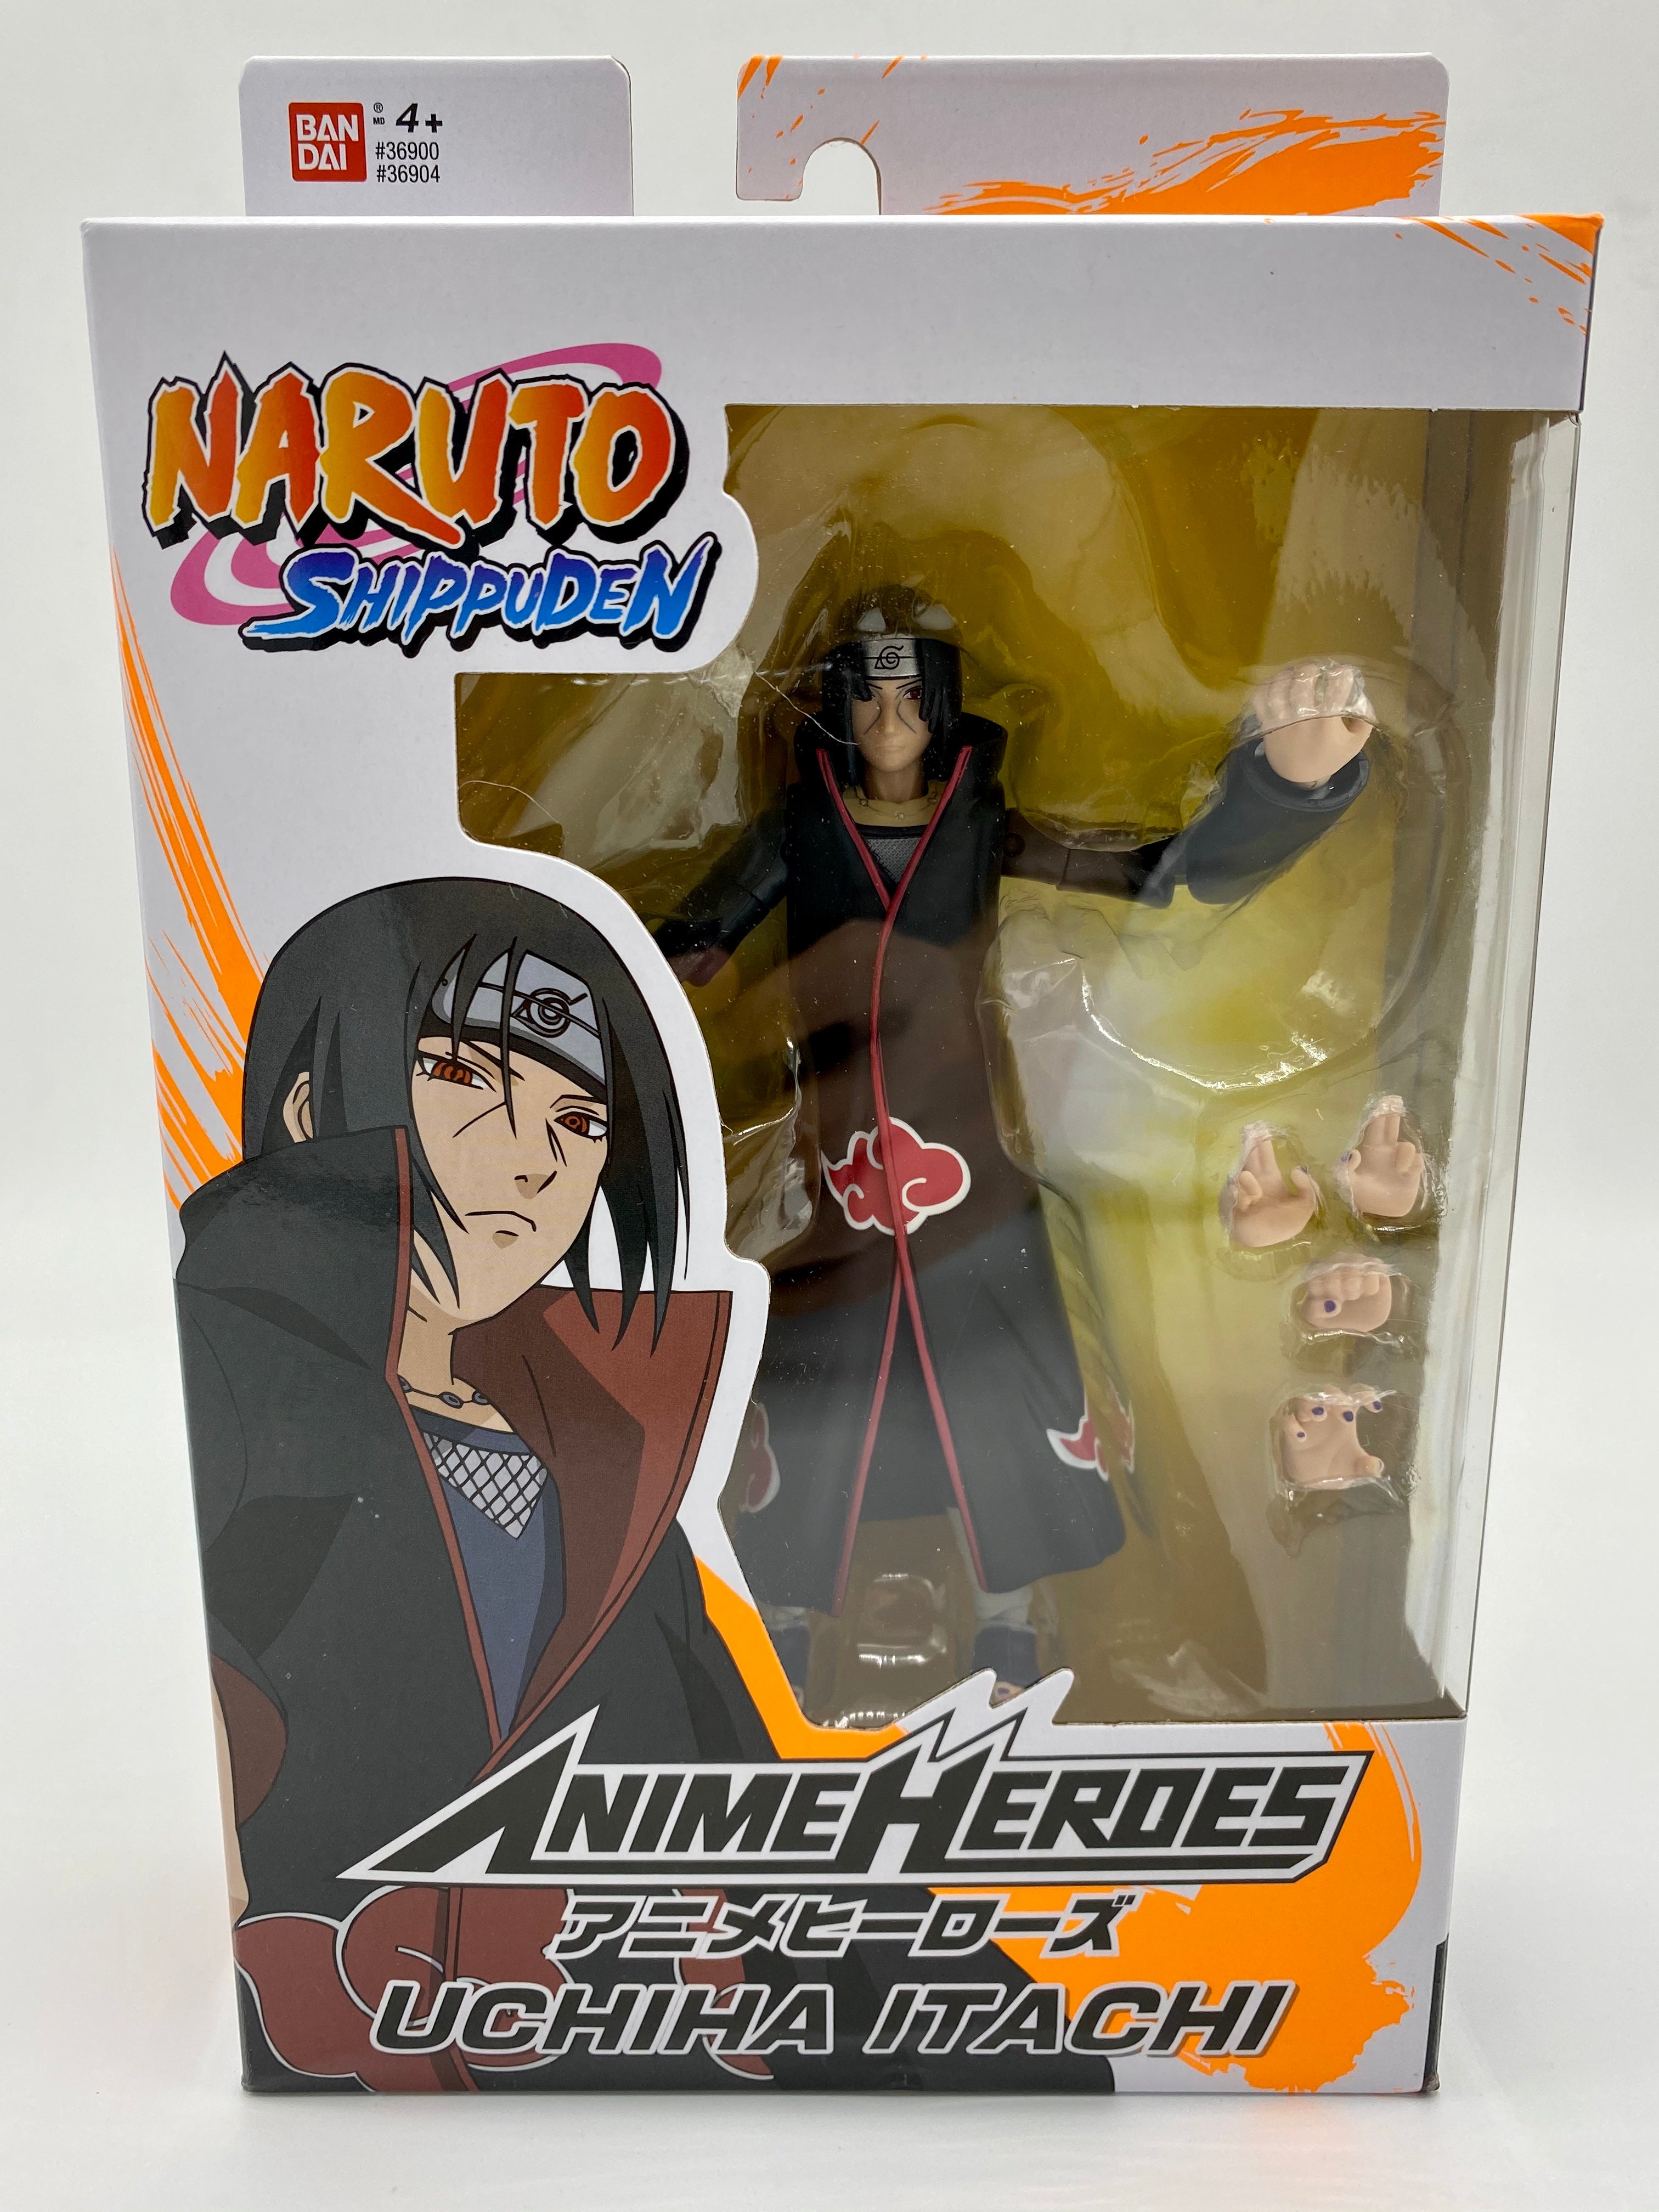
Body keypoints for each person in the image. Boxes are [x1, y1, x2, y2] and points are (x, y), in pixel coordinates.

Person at [657, 603, 1379, 1705]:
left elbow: (1160, 876)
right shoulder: (798, 830)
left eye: (911, 695)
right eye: (868, 695)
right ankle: (779, 1637)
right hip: (828, 1178)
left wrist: (1285, 789)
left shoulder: (981, 827)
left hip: (972, 1168)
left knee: (1003, 1403)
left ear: (943, 706)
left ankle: (1010, 1636)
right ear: (838, 706)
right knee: (799, 1414)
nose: (889, 721)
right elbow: (687, 942)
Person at [176, 876, 770, 2081]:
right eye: (463, 1079)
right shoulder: (218, 1372)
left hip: (590, 2037)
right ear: (309, 1105)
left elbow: (750, 1812)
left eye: (580, 1120)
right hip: (323, 2019)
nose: (535, 1162)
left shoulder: (606, 1467)